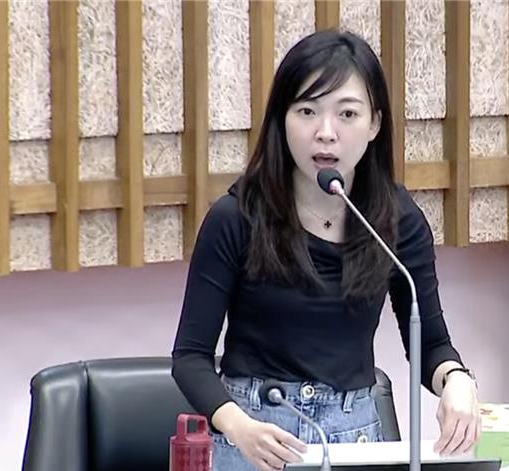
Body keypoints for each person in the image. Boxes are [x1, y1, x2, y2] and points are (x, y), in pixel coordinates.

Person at [171, 30, 480, 471]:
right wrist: (237, 426)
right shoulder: (235, 217)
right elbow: (189, 358)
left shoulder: (397, 220)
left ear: (374, 124)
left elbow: (430, 344)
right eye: (307, 111)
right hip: (255, 440)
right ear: (282, 118)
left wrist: (457, 381)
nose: (326, 133)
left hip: (357, 438)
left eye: (347, 113)